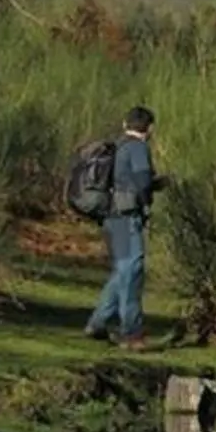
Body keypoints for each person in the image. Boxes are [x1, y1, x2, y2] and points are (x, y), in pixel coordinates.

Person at [82, 106, 167, 349]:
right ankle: (132, 333)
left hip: (110, 215)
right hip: (127, 217)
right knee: (132, 272)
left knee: (122, 271)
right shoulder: (138, 148)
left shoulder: (117, 147)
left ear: (124, 124)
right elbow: (142, 183)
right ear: (149, 128)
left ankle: (97, 323)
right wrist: (158, 184)